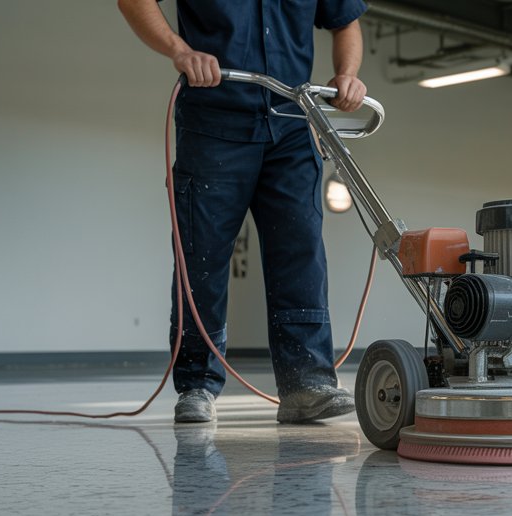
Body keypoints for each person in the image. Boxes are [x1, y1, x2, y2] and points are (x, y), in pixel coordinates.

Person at [118, 0, 369, 424]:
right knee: (202, 256)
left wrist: (347, 75)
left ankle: (306, 383)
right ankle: (197, 384)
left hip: (291, 122)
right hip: (214, 121)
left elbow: (346, 22)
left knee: (300, 251)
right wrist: (180, 51)